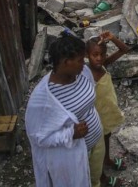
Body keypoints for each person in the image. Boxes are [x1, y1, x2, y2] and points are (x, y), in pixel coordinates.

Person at [26, 33, 102, 187]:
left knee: (95, 178)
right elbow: (39, 138)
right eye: (80, 60)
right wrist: (71, 133)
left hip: (96, 141)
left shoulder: (82, 73)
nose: (84, 63)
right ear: (66, 62)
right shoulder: (44, 100)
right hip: (75, 156)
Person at [86, 31, 131, 187]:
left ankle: (108, 160)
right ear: (87, 55)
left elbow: (125, 50)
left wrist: (112, 38)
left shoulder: (103, 65)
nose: (99, 58)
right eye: (95, 55)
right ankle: (102, 178)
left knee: (107, 137)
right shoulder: (86, 73)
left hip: (106, 112)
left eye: (102, 54)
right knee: (96, 151)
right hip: (94, 117)